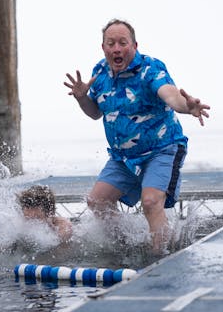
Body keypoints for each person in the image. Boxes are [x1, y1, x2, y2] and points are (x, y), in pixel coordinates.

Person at [64, 18, 210, 252]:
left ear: (135, 45)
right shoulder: (99, 72)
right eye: (111, 43)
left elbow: (170, 95)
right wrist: (82, 97)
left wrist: (187, 106)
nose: (117, 49)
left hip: (161, 149)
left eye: (123, 43)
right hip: (123, 157)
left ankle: (159, 257)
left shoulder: (150, 69)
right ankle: (127, 246)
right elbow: (95, 114)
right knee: (97, 202)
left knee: (151, 202)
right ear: (104, 48)